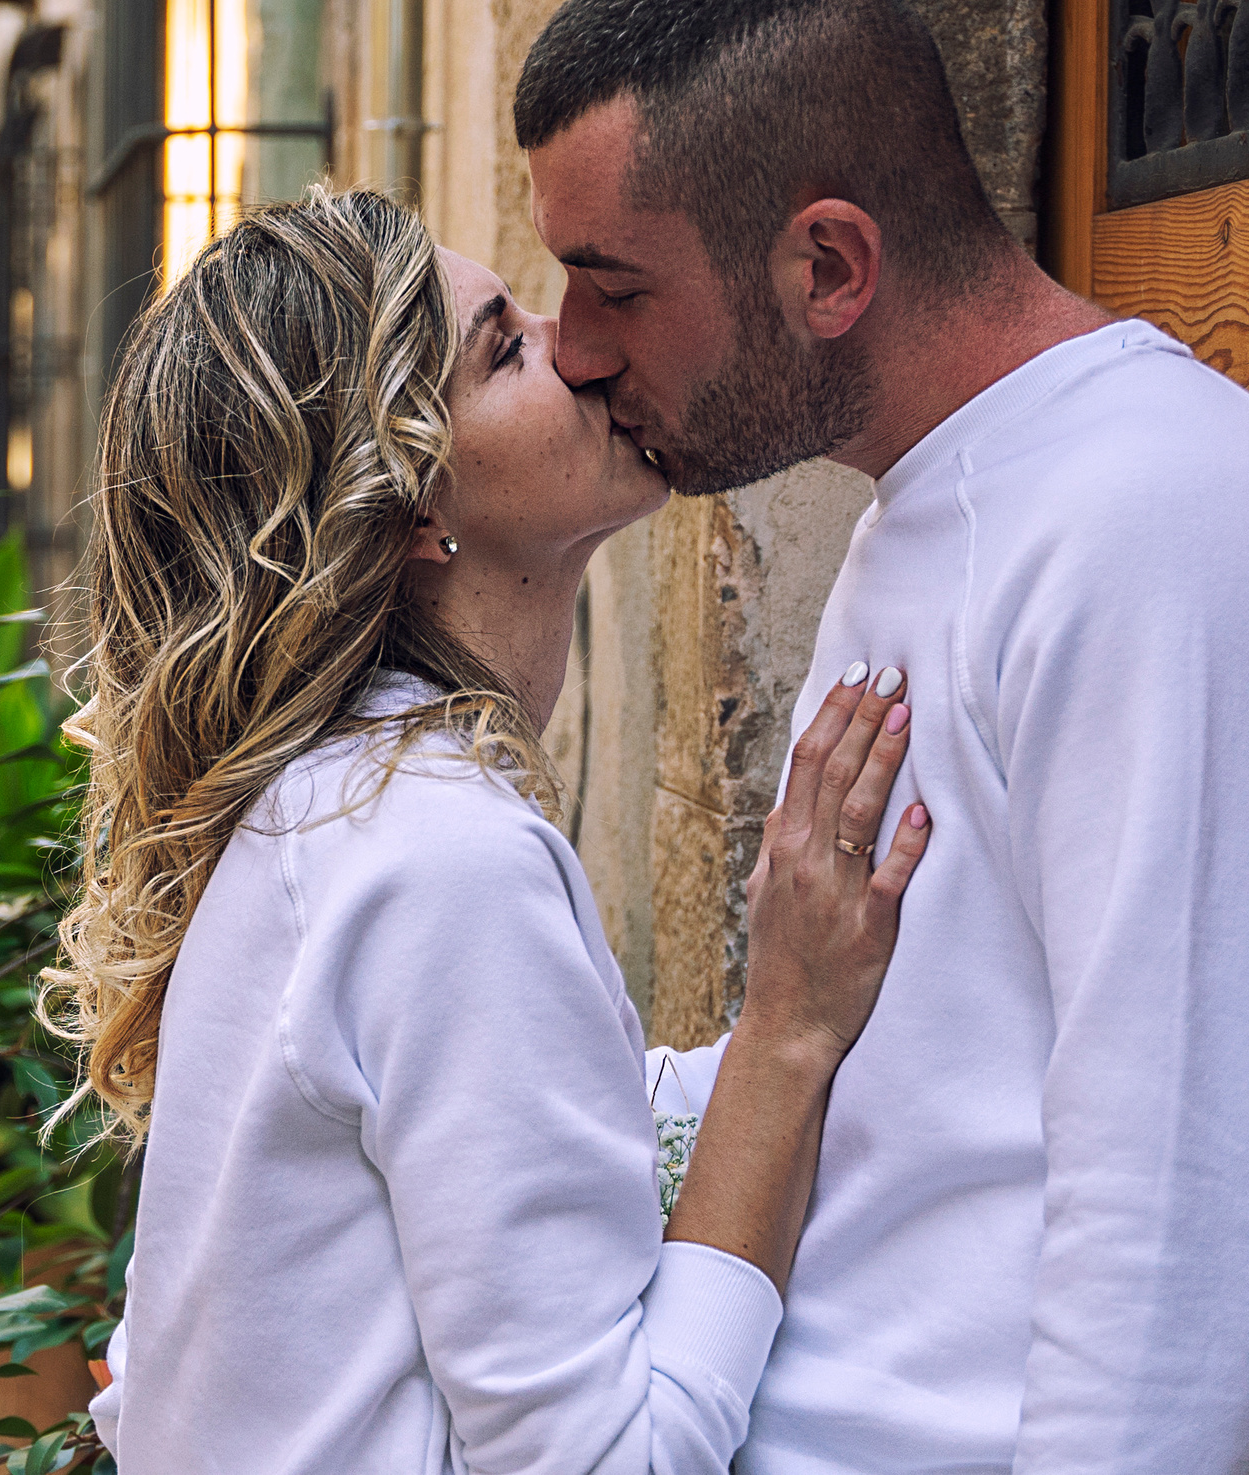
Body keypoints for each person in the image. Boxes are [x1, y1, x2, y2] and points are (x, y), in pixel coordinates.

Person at [516, 0, 1249, 1474]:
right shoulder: (932, 506)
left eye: (617, 287)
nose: (576, 349)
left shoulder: (1162, 524)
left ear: (829, 264)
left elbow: (1195, 1235)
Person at [47, 189, 931, 1473]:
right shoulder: (434, 854)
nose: (577, 347)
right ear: (405, 506)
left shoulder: (339, 804)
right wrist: (789, 1032)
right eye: (505, 348)